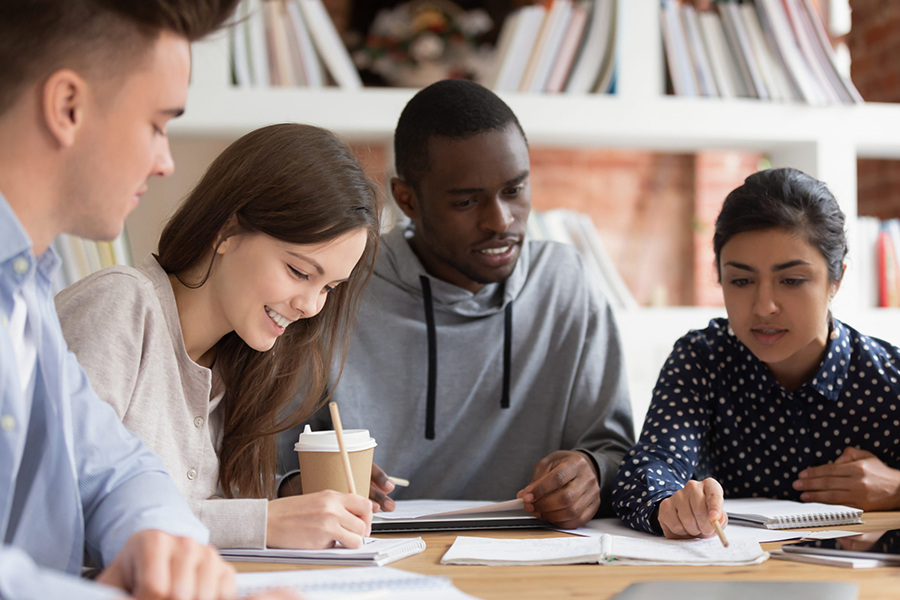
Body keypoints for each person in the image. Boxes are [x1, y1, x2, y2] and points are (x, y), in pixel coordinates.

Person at [0, 0, 286, 599]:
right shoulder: (110, 298)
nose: (164, 162)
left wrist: (159, 544)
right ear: (68, 107)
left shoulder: (23, 285)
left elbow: (117, 467)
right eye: (157, 124)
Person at [279, 79, 635, 529]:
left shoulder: (566, 283)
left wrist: (591, 473)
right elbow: (259, 467)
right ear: (407, 199)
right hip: (371, 551)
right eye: (467, 201)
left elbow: (617, 450)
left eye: (515, 191)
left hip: (535, 553)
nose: (500, 221)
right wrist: (304, 484)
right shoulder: (337, 287)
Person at [56, 123, 381, 550]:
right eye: (299, 272)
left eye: (328, 288)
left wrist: (288, 496)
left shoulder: (239, 361)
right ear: (227, 231)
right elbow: (66, 505)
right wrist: (261, 522)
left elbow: (196, 508)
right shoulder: (121, 303)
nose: (311, 306)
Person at [611, 168, 900, 539]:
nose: (764, 307)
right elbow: (648, 468)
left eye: (792, 280)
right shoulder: (702, 360)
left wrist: (895, 488)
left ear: (836, 279)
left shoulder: (887, 378)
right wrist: (670, 504)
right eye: (742, 281)